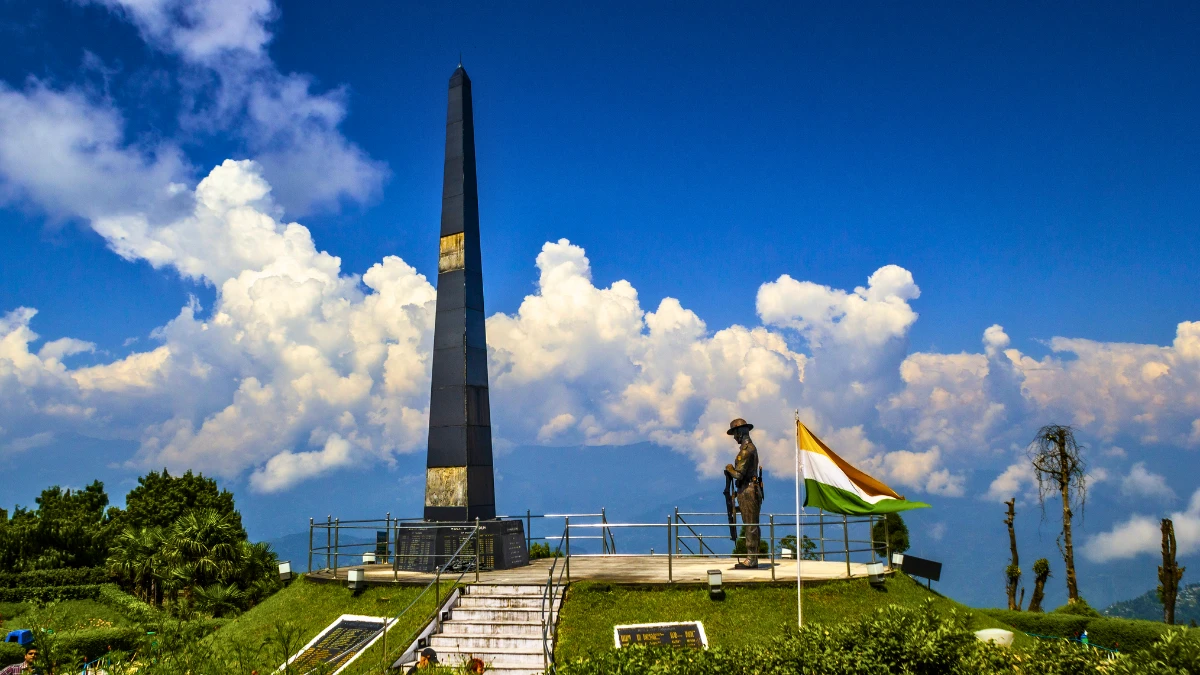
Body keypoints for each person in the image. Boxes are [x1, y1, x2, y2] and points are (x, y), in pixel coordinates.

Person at [726, 418, 764, 568]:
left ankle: (751, 558)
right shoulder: (749, 448)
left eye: (735, 433)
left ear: (740, 432)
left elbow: (739, 475)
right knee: (752, 523)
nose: (734, 437)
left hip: (748, 490)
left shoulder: (746, 450)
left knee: (750, 524)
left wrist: (729, 468)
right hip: (751, 488)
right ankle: (752, 556)